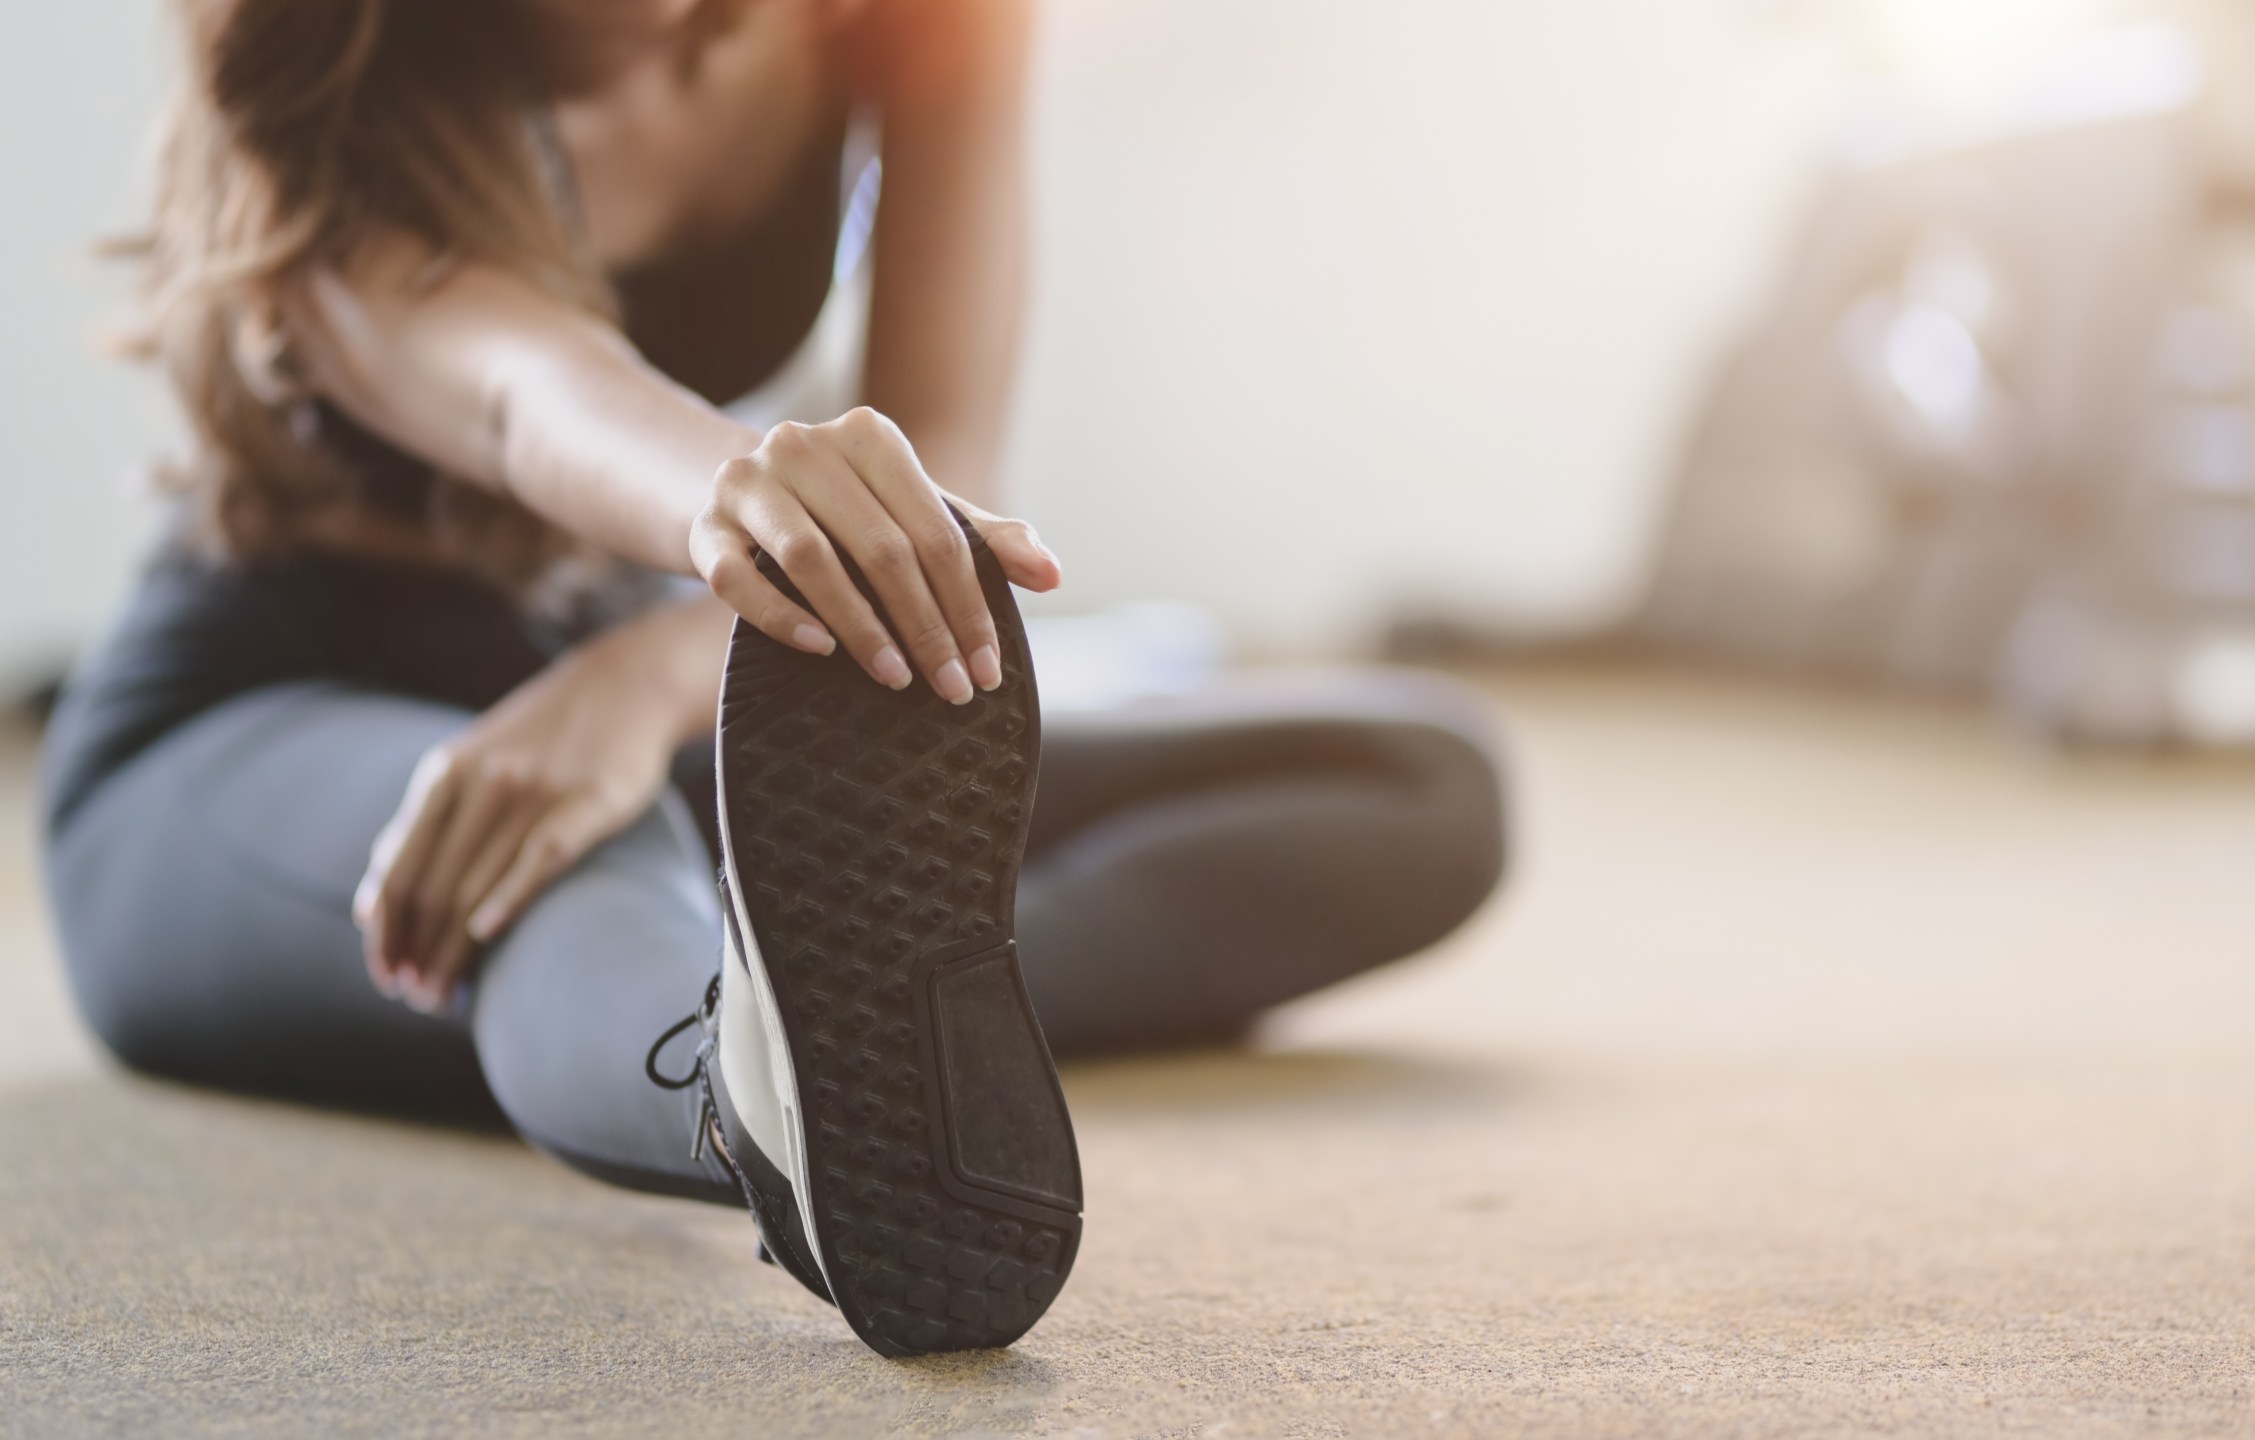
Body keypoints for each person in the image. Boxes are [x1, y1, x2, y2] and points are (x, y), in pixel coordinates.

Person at [37, 0, 1505, 1354]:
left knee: (1420, 779)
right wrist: (732, 502)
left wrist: (636, 686)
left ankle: (856, 1004)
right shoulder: (327, 66)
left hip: (623, 678)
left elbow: (952, 451)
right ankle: (749, 1085)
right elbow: (527, 397)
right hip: (251, 724)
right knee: (567, 847)